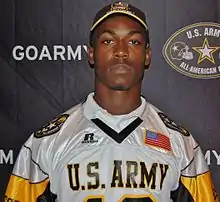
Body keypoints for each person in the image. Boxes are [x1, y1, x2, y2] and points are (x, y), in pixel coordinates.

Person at [4, 1, 218, 202]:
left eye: (134, 41)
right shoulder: (45, 144)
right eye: (108, 41)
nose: (121, 51)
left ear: (147, 55)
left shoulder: (181, 144)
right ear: (91, 54)